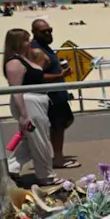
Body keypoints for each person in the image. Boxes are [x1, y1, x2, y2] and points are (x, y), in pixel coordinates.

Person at [2, 29, 61, 186]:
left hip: (37, 101)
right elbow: (16, 90)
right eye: (25, 40)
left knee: (31, 140)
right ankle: (46, 175)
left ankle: (10, 167)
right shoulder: (14, 62)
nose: (29, 43)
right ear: (16, 42)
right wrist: (23, 115)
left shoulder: (24, 58)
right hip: (29, 103)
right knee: (40, 140)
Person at [31, 19, 78, 169]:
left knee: (65, 122)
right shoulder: (37, 51)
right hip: (52, 96)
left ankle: (54, 154)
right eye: (43, 31)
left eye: (49, 30)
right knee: (58, 125)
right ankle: (57, 158)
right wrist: (59, 75)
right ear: (34, 33)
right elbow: (38, 76)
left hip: (57, 93)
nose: (48, 33)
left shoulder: (45, 47)